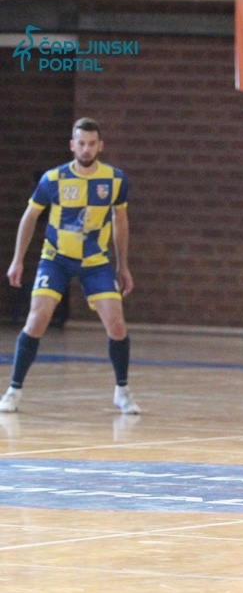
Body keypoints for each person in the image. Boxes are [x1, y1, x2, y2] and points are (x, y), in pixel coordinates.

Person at [0, 117, 140, 415]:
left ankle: (123, 391)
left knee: (116, 324)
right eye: (81, 143)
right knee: (37, 319)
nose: (86, 149)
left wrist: (123, 266)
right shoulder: (53, 179)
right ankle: (13, 390)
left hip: (95, 262)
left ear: (100, 146)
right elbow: (30, 216)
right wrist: (17, 260)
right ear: (72, 145)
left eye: (92, 144)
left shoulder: (115, 180)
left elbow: (120, 221)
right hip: (56, 259)